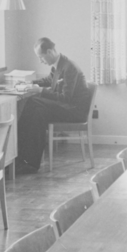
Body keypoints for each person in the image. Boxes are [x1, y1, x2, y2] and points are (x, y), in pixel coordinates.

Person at [15, 37, 91, 173]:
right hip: (67, 108)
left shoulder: (69, 67)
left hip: (75, 111)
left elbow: (66, 98)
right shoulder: (59, 64)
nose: (40, 61)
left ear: (49, 52)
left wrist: (41, 91)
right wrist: (30, 83)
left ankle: (25, 159)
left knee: (33, 103)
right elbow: (48, 80)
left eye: (41, 57)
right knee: (37, 112)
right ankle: (26, 160)